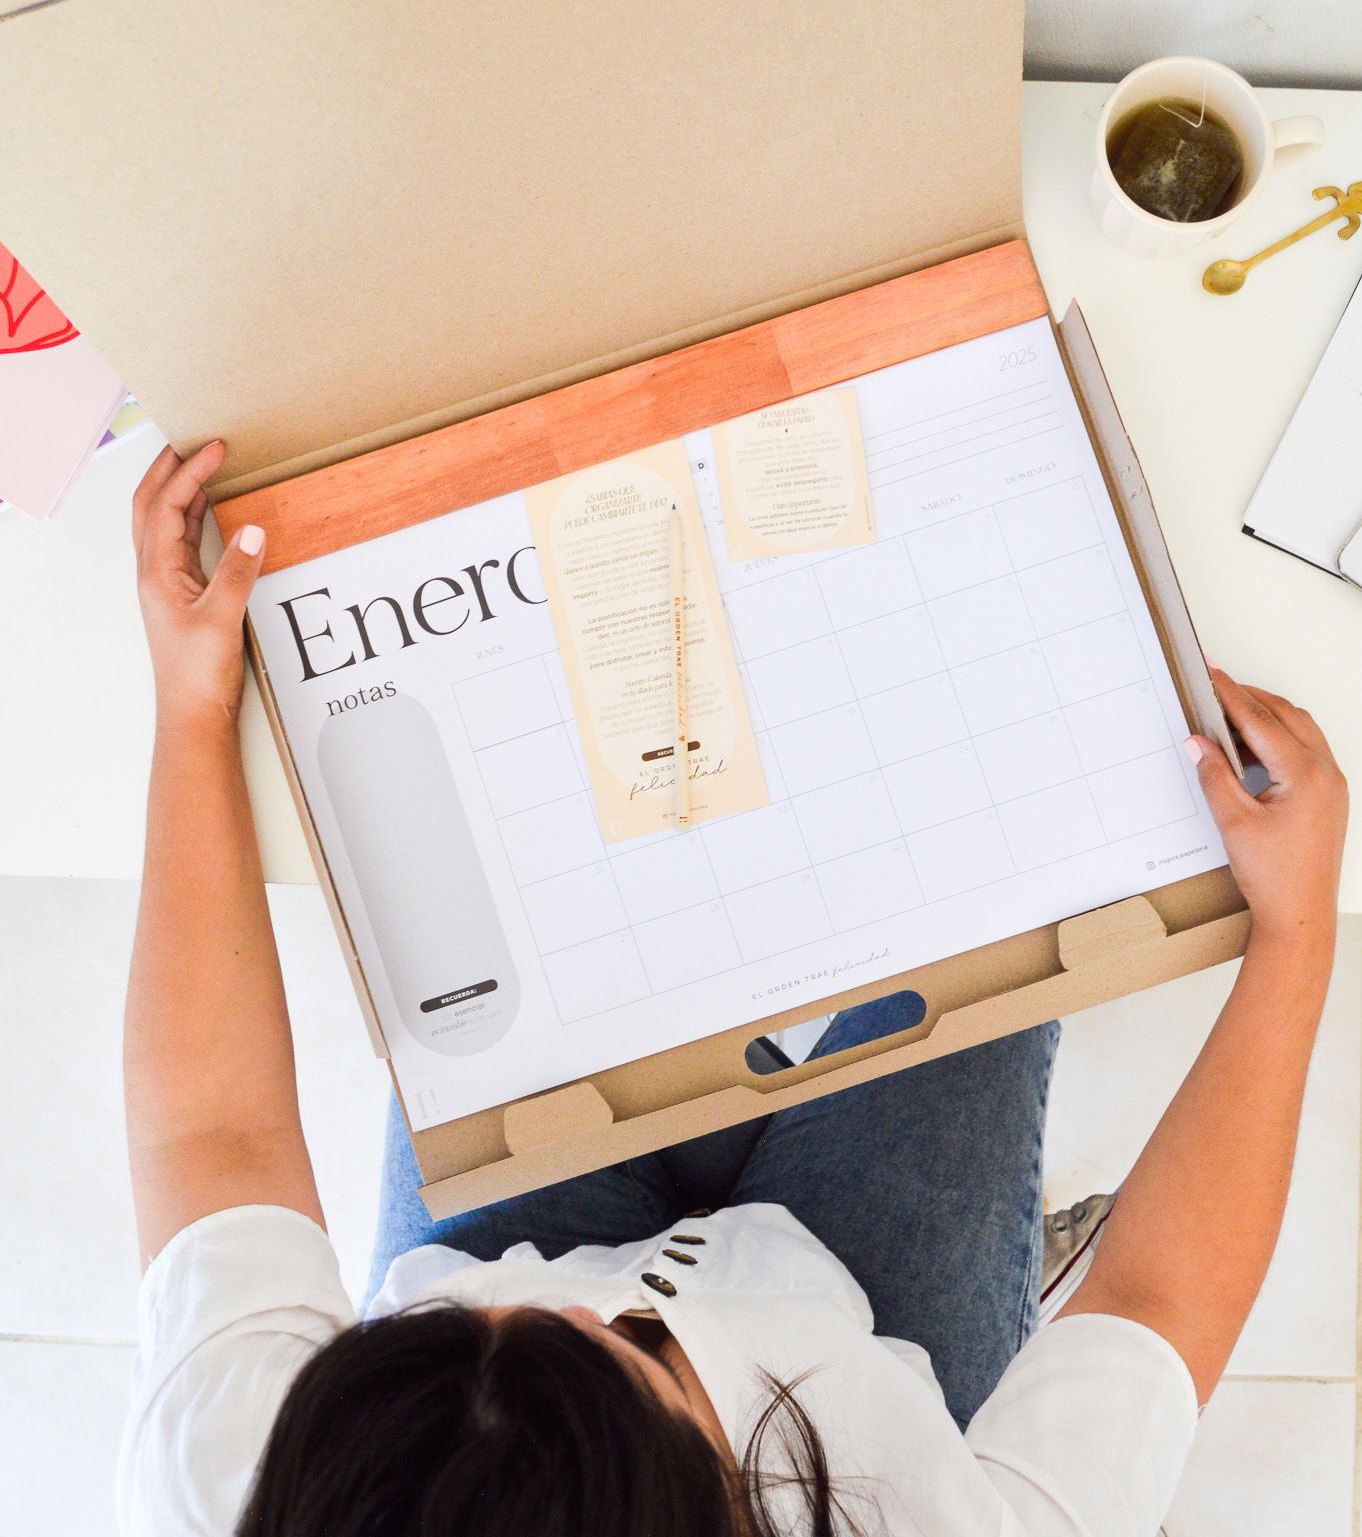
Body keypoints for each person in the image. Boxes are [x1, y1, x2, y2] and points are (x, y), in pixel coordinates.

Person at [117, 441, 1348, 1537]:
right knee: (976, 893)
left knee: (543, 881)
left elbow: (212, 1135)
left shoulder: (264, 1481)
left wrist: (192, 704)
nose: (568, 1300)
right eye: (621, 1357)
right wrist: (1295, 933)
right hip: (865, 1352)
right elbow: (1156, 1298)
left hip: (510, 1226)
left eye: (454, 1324)